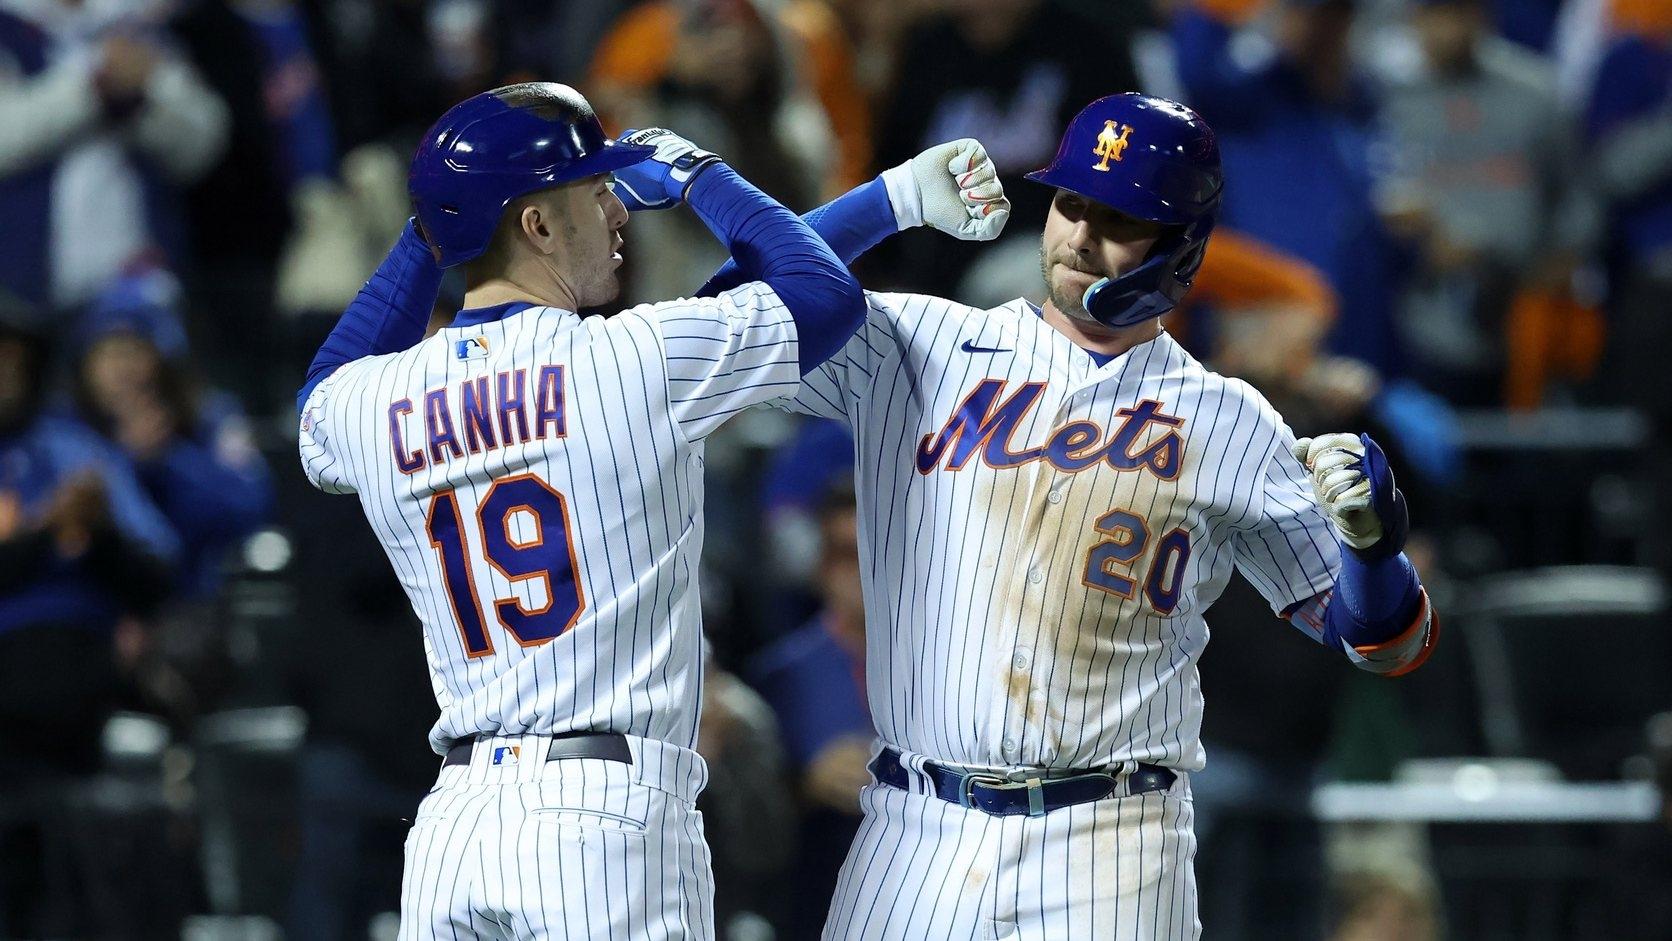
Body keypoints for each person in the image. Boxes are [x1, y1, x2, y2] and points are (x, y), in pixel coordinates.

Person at [364, 92, 1439, 938]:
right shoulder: (915, 341)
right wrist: (867, 200)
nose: (1081, 240)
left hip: (1115, 831)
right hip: (915, 818)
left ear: (1185, 244)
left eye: (1122, 224)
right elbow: (713, 320)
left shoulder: (1231, 420)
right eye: (1072, 206)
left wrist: (1377, 549)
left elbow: (1380, 644)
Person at [295, 82, 998, 939]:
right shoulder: (631, 361)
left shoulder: (376, 400)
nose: (620, 210)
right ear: (539, 227)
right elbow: (819, 298)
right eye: (596, 191)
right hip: (602, 818)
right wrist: (703, 176)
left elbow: (318, 402)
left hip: (455, 826)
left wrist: (438, 226)